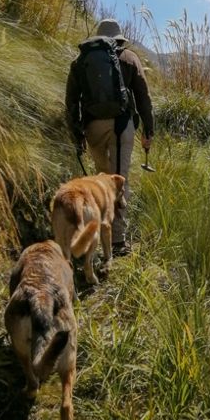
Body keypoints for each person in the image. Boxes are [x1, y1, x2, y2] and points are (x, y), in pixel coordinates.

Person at [65, 18, 153, 257]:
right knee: (119, 180)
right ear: (120, 39)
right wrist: (148, 130)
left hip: (92, 129)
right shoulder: (129, 58)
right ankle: (117, 241)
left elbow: (71, 102)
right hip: (121, 127)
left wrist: (77, 135)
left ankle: (99, 233)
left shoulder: (81, 61)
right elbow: (143, 97)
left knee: (101, 182)